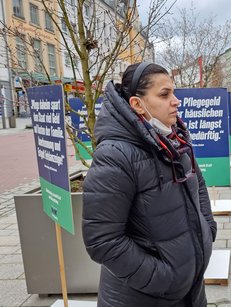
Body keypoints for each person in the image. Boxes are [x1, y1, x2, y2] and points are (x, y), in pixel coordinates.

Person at [82, 62, 217, 307]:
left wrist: (207, 231)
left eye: (173, 93)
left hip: (190, 290)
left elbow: (198, 185)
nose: (176, 101)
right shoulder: (115, 155)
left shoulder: (174, 139)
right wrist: (164, 278)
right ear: (137, 104)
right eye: (165, 95)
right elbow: (102, 241)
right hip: (144, 297)